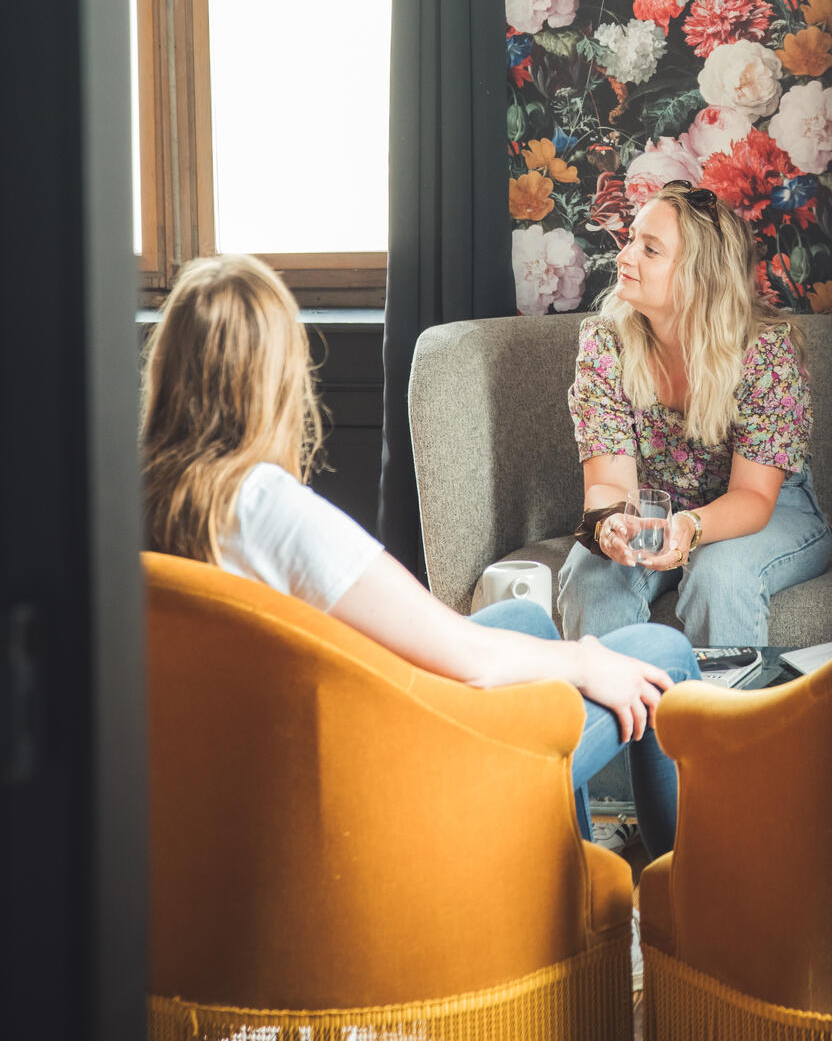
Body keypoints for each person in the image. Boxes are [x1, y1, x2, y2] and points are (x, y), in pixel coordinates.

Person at [140, 252, 698, 857]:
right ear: (280, 378)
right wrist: (585, 661)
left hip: (280, 748)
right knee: (659, 655)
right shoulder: (269, 511)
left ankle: (565, 884)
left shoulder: (144, 496)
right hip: (394, 773)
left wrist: (557, 653)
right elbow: (469, 660)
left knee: (527, 620)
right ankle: (692, 921)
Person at [558, 182, 832, 648]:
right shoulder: (605, 342)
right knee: (592, 572)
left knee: (718, 575)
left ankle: (722, 720)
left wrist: (690, 527)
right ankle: (620, 719)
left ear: (698, 276)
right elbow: (608, 483)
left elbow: (752, 496)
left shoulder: (765, 352)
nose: (624, 257)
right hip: (655, 508)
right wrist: (610, 525)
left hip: (765, 510)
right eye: (631, 241)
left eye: (650, 250)